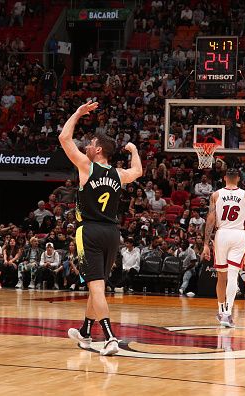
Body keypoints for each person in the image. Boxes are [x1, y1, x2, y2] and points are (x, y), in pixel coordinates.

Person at [62, 101, 142, 356]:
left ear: (97, 150)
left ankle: (110, 337)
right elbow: (138, 170)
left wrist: (77, 113)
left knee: (97, 287)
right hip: (112, 234)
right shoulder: (118, 174)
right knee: (95, 285)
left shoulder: (87, 167)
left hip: (89, 232)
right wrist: (134, 149)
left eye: (90, 143)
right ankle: (86, 331)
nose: (86, 145)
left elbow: (64, 138)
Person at [203, 168, 245, 328]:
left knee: (221, 276)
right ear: (238, 178)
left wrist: (205, 243)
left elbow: (210, 219)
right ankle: (228, 313)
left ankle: (221, 309)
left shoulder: (216, 195)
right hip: (239, 234)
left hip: (222, 234)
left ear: (225, 178)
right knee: (233, 275)